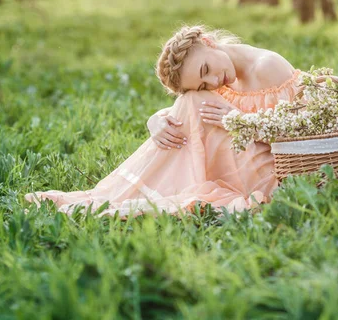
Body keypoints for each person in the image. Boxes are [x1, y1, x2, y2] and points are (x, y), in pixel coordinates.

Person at [23, 25, 306, 219]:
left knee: (193, 102)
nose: (213, 81)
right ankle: (118, 195)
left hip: (279, 173)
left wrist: (243, 122)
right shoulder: (219, 78)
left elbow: (304, 134)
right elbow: (192, 111)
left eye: (205, 69)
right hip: (245, 164)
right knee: (190, 102)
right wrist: (155, 120)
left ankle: (126, 194)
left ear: (207, 42)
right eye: (202, 82)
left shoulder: (267, 67)